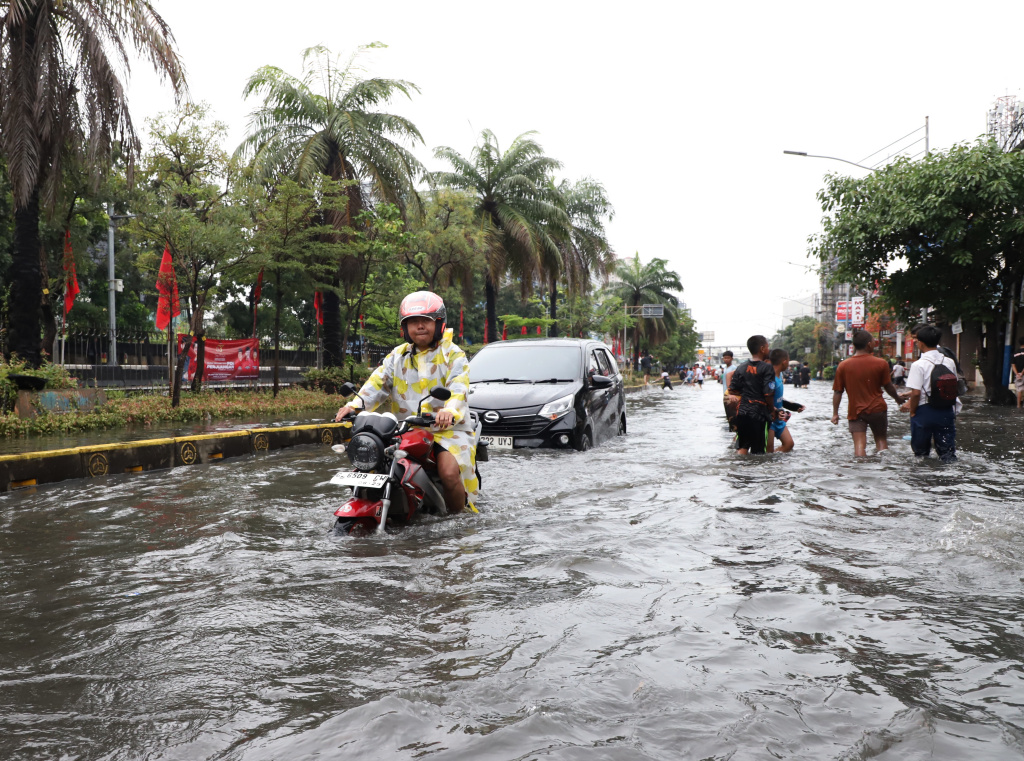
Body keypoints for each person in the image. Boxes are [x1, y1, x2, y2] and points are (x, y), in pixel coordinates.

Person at [335, 291, 478, 512]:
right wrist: (353, 406)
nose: (420, 326)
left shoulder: (454, 354)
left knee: (449, 473)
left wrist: (449, 411)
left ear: (439, 324)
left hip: (446, 429)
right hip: (405, 430)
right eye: (413, 322)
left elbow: (459, 387)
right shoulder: (396, 356)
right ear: (405, 328)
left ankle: (457, 520)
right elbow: (377, 383)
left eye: (426, 321)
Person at [831, 329, 903, 457]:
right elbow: (888, 386)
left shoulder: (843, 366)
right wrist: (897, 399)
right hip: (878, 409)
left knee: (859, 447)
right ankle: (884, 467)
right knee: (881, 441)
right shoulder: (881, 363)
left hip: (855, 412)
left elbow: (838, 392)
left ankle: (860, 470)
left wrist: (835, 413)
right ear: (869, 344)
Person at [903, 324, 960, 463]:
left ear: (921, 343)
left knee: (921, 455)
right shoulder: (949, 361)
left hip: (924, 412)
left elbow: (916, 393)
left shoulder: (918, 365)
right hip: (946, 411)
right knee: (947, 454)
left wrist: (912, 411)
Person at [728, 335, 777, 455]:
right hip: (759, 414)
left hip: (742, 412)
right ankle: (754, 473)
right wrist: (771, 410)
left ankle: (737, 469)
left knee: (742, 447)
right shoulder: (767, 368)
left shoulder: (741, 367)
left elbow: (733, 390)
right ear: (762, 348)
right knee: (758, 452)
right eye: (767, 346)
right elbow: (768, 393)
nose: (768, 349)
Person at [768, 349, 805, 453]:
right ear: (784, 361)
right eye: (788, 361)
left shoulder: (780, 375)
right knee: (768, 452)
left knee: (789, 444)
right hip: (769, 418)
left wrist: (793, 406)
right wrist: (774, 410)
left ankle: (777, 462)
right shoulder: (769, 378)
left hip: (779, 418)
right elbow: (764, 399)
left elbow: (778, 398)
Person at [720, 350, 739, 430]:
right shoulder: (725, 368)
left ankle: (734, 430)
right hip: (725, 393)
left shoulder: (734, 368)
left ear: (732, 358)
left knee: (732, 414)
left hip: (731, 394)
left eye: (728, 358)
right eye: (724, 358)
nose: (726, 359)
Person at [1012, 338, 1024, 408]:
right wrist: (1022, 373)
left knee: (1019, 389)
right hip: (1022, 373)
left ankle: (1018, 405)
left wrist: (1017, 374)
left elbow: (1013, 365)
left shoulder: (1015, 353)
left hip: (1018, 374)